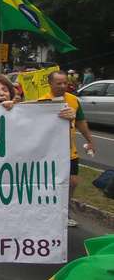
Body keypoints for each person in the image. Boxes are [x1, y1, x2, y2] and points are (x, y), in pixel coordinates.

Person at [0, 75, 75, 280]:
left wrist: (65, 119)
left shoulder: (26, 116)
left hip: (13, 190)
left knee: (4, 235)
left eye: (4, 89)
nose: (1, 93)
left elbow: (50, 140)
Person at [39, 70, 96, 227]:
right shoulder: (42, 102)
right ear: (50, 84)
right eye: (59, 83)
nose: (63, 86)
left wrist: (90, 140)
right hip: (50, 153)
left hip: (69, 151)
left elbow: (81, 122)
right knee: (50, 184)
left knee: (73, 182)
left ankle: (65, 211)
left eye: (65, 83)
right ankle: (47, 211)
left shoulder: (73, 100)